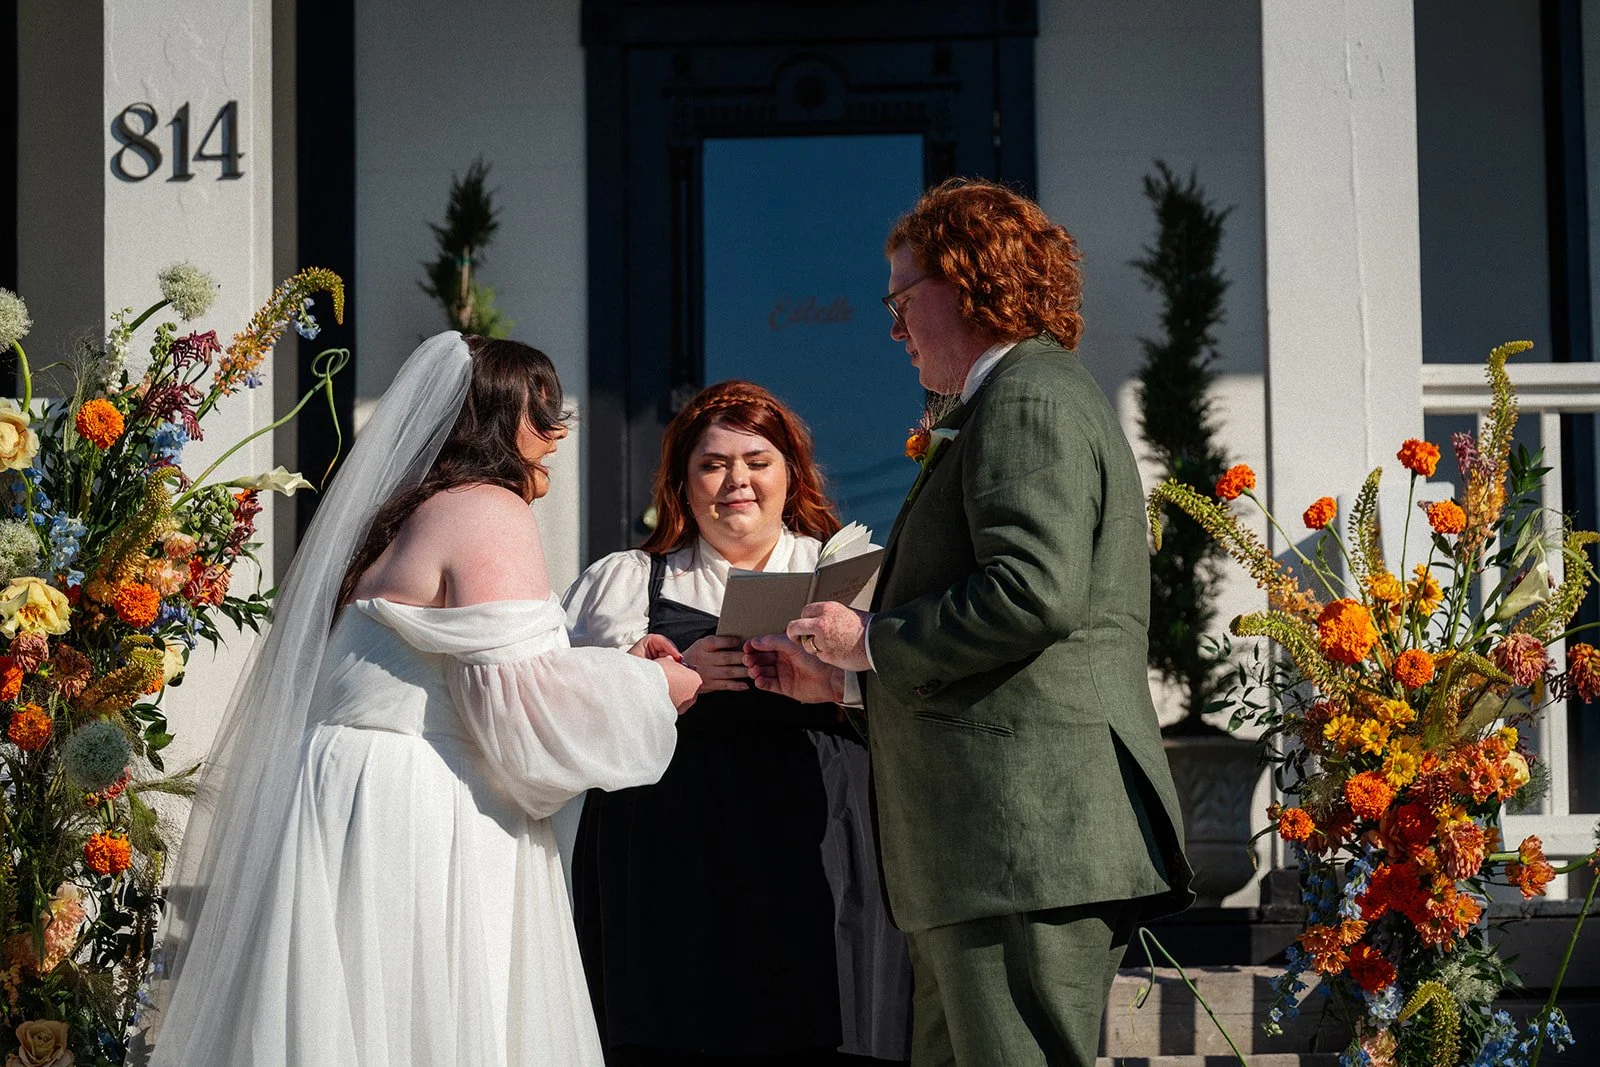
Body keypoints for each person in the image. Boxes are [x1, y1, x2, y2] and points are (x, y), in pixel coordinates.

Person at [150, 332, 700, 1065]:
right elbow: (515, 707)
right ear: (497, 419)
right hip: (419, 808)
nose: (557, 434)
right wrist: (653, 688)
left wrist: (615, 664)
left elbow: (479, 663)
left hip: (353, 795)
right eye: (541, 412)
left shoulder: (409, 512)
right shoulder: (486, 508)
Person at [746, 179, 1194, 1066]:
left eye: (901, 298)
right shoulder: (1008, 400)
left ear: (970, 281)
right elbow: (1015, 645)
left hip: (1023, 844)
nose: (892, 327)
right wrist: (844, 679)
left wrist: (866, 640)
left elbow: (1032, 592)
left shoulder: (1025, 399)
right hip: (990, 851)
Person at [564, 380, 912, 1065]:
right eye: (712, 463)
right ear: (681, 483)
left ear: (791, 474)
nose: (737, 481)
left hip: (822, 860)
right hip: (670, 875)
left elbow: (913, 697)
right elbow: (556, 704)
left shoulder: (842, 576)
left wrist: (835, 682)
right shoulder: (626, 582)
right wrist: (647, 675)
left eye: (757, 461)